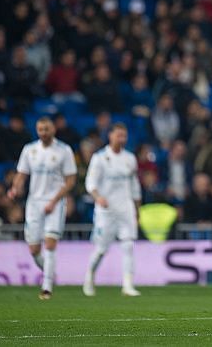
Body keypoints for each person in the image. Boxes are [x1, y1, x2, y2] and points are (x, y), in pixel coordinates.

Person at [7, 117, 77, 300]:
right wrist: (15, 188)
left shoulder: (64, 150)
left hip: (55, 201)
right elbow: (21, 174)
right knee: (34, 250)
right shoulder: (30, 150)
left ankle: (46, 286)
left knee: (51, 242)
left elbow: (70, 180)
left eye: (46, 129)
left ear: (53, 129)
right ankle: (49, 272)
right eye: (40, 129)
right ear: (37, 131)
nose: (43, 132)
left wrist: (55, 200)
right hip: (34, 203)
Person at [83, 123, 142, 297]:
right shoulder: (100, 158)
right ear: (110, 136)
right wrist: (98, 197)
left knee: (129, 245)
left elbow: (134, 186)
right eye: (119, 135)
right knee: (101, 249)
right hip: (106, 211)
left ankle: (128, 285)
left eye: (124, 136)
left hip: (126, 208)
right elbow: (90, 183)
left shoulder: (130, 158)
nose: (122, 139)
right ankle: (89, 276)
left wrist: (137, 209)